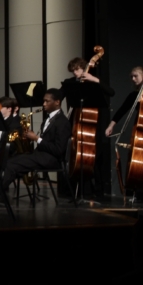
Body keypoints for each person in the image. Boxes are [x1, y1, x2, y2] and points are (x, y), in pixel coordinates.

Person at [0, 89, 71, 206]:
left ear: (57, 102)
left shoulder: (63, 122)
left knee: (12, 165)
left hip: (51, 159)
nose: (44, 104)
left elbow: (59, 150)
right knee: (9, 162)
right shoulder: (48, 119)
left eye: (47, 101)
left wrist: (37, 139)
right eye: (43, 101)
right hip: (40, 155)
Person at [60, 56, 115, 199]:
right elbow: (59, 96)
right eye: (73, 71)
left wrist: (94, 79)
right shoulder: (70, 83)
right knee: (74, 154)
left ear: (84, 67)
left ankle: (98, 191)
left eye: (77, 70)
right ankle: (74, 188)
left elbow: (111, 92)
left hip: (93, 125)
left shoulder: (94, 81)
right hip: (76, 124)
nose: (76, 74)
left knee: (94, 157)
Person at [105, 66, 143, 137]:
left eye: (136, 76)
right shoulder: (133, 95)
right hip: (139, 127)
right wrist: (111, 126)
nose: (133, 79)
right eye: (131, 77)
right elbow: (122, 110)